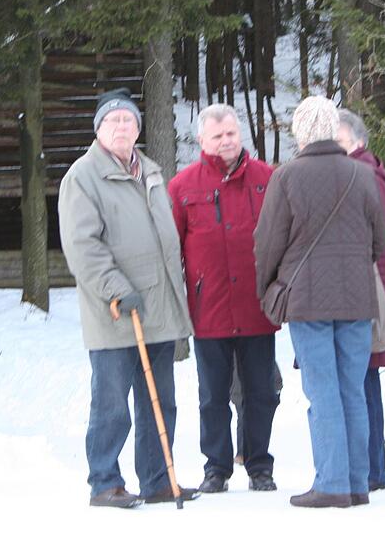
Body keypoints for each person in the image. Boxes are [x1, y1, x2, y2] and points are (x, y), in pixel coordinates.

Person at [58, 88, 197, 509]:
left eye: (128, 120)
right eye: (112, 120)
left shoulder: (150, 172)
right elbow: (83, 246)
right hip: (116, 311)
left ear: (138, 128)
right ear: (98, 129)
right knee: (112, 404)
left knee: (160, 401)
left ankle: (157, 480)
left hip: (158, 307)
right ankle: (105, 482)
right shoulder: (83, 177)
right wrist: (117, 289)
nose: (121, 127)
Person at [254, 96, 385, 508]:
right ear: (332, 129)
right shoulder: (362, 174)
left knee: (323, 391)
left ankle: (331, 483)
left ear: (299, 133)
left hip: (308, 301)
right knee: (352, 390)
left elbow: (268, 242)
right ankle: (356, 482)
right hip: (356, 299)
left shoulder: (286, 177)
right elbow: (379, 240)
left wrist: (267, 287)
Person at [168, 104, 281, 493]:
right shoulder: (182, 187)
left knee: (261, 392)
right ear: (202, 140)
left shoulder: (268, 179)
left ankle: (259, 465)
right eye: (217, 136)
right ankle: (216, 467)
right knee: (213, 396)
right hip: (209, 309)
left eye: (231, 133)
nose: (226, 141)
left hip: (257, 306)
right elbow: (171, 250)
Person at [336, 109, 385, 493]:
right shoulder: (361, 173)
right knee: (362, 379)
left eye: (339, 142)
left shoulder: (368, 178)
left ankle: (372, 469)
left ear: (359, 143)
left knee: (362, 381)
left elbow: (367, 237)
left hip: (367, 290)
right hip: (361, 289)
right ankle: (369, 467)